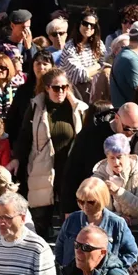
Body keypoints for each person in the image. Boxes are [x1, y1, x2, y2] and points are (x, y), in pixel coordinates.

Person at [16, 66, 87, 230]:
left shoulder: (77, 108)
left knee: (69, 214)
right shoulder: (36, 108)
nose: (61, 91)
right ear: (47, 88)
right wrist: (16, 158)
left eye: (64, 87)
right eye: (56, 88)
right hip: (42, 165)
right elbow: (25, 135)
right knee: (41, 216)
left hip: (69, 167)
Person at [55, 177, 138, 268]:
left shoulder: (117, 224)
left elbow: (131, 254)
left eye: (91, 202)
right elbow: (59, 249)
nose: (85, 206)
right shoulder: (72, 220)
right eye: (81, 201)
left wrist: (112, 269)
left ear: (102, 199)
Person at [59, 8, 104, 100]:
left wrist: (91, 71)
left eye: (92, 25)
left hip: (95, 92)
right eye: (85, 23)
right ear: (79, 24)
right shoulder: (70, 47)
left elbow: (106, 62)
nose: (88, 27)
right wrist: (98, 65)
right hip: (76, 94)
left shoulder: (99, 44)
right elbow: (80, 75)